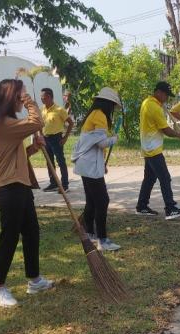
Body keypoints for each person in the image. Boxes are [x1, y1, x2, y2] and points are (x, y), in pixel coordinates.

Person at [0, 79, 54, 307]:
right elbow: (37, 121)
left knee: (32, 232)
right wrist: (29, 100)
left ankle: (34, 280)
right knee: (10, 235)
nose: (21, 100)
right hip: (9, 187)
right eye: (18, 96)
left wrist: (34, 148)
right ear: (10, 97)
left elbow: (15, 155)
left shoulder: (10, 124)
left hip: (21, 185)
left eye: (23, 96)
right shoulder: (1, 122)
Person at [71, 88, 121, 251]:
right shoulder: (100, 115)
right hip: (90, 164)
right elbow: (101, 143)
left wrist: (102, 163)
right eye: (113, 105)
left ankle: (90, 234)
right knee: (102, 200)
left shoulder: (93, 114)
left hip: (87, 163)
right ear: (108, 104)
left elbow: (94, 142)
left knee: (92, 200)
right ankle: (102, 240)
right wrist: (114, 139)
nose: (113, 109)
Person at [136, 81, 180, 220]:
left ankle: (141, 206)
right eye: (166, 95)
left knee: (149, 178)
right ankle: (170, 208)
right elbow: (165, 130)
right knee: (165, 177)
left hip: (148, 147)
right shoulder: (153, 107)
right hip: (153, 149)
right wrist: (179, 135)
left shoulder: (147, 102)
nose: (167, 98)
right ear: (159, 92)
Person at [40, 88, 74, 193]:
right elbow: (42, 124)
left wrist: (65, 138)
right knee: (49, 162)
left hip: (56, 138)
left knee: (60, 162)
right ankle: (53, 183)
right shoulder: (43, 109)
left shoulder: (59, 110)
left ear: (50, 97)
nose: (42, 99)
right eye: (41, 97)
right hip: (46, 139)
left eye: (43, 97)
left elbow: (71, 123)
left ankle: (65, 185)